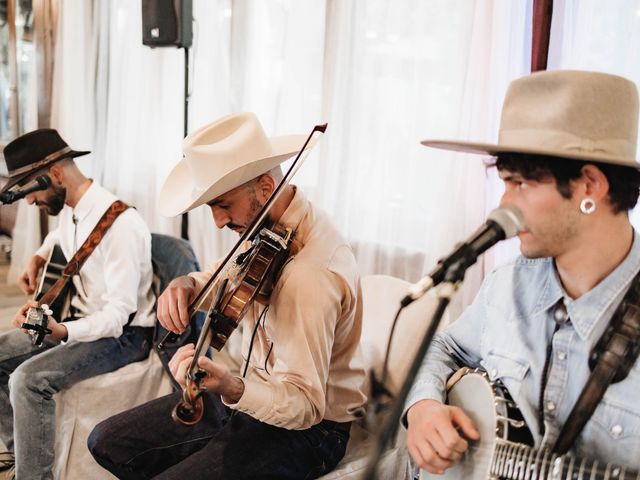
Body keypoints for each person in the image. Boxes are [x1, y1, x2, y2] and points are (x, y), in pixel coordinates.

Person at [88, 112, 367, 479]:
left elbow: (305, 407)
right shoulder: (267, 224)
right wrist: (187, 284)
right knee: (107, 441)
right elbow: (227, 272)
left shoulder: (310, 275)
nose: (218, 222)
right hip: (248, 398)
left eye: (223, 205)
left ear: (265, 188)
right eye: (211, 208)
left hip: (310, 431)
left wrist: (232, 387)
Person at [404, 69, 640, 475]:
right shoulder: (509, 282)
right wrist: (424, 407)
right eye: (504, 182)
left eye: (521, 184)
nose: (503, 205)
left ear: (590, 187)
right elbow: (445, 347)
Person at [0, 129, 156, 479]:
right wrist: (39, 256)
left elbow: (118, 316)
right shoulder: (72, 211)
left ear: (54, 174)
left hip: (124, 336)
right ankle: (19, 451)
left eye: (30, 190)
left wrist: (64, 330)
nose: (28, 202)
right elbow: (63, 236)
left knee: (26, 379)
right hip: (81, 318)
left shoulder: (122, 226)